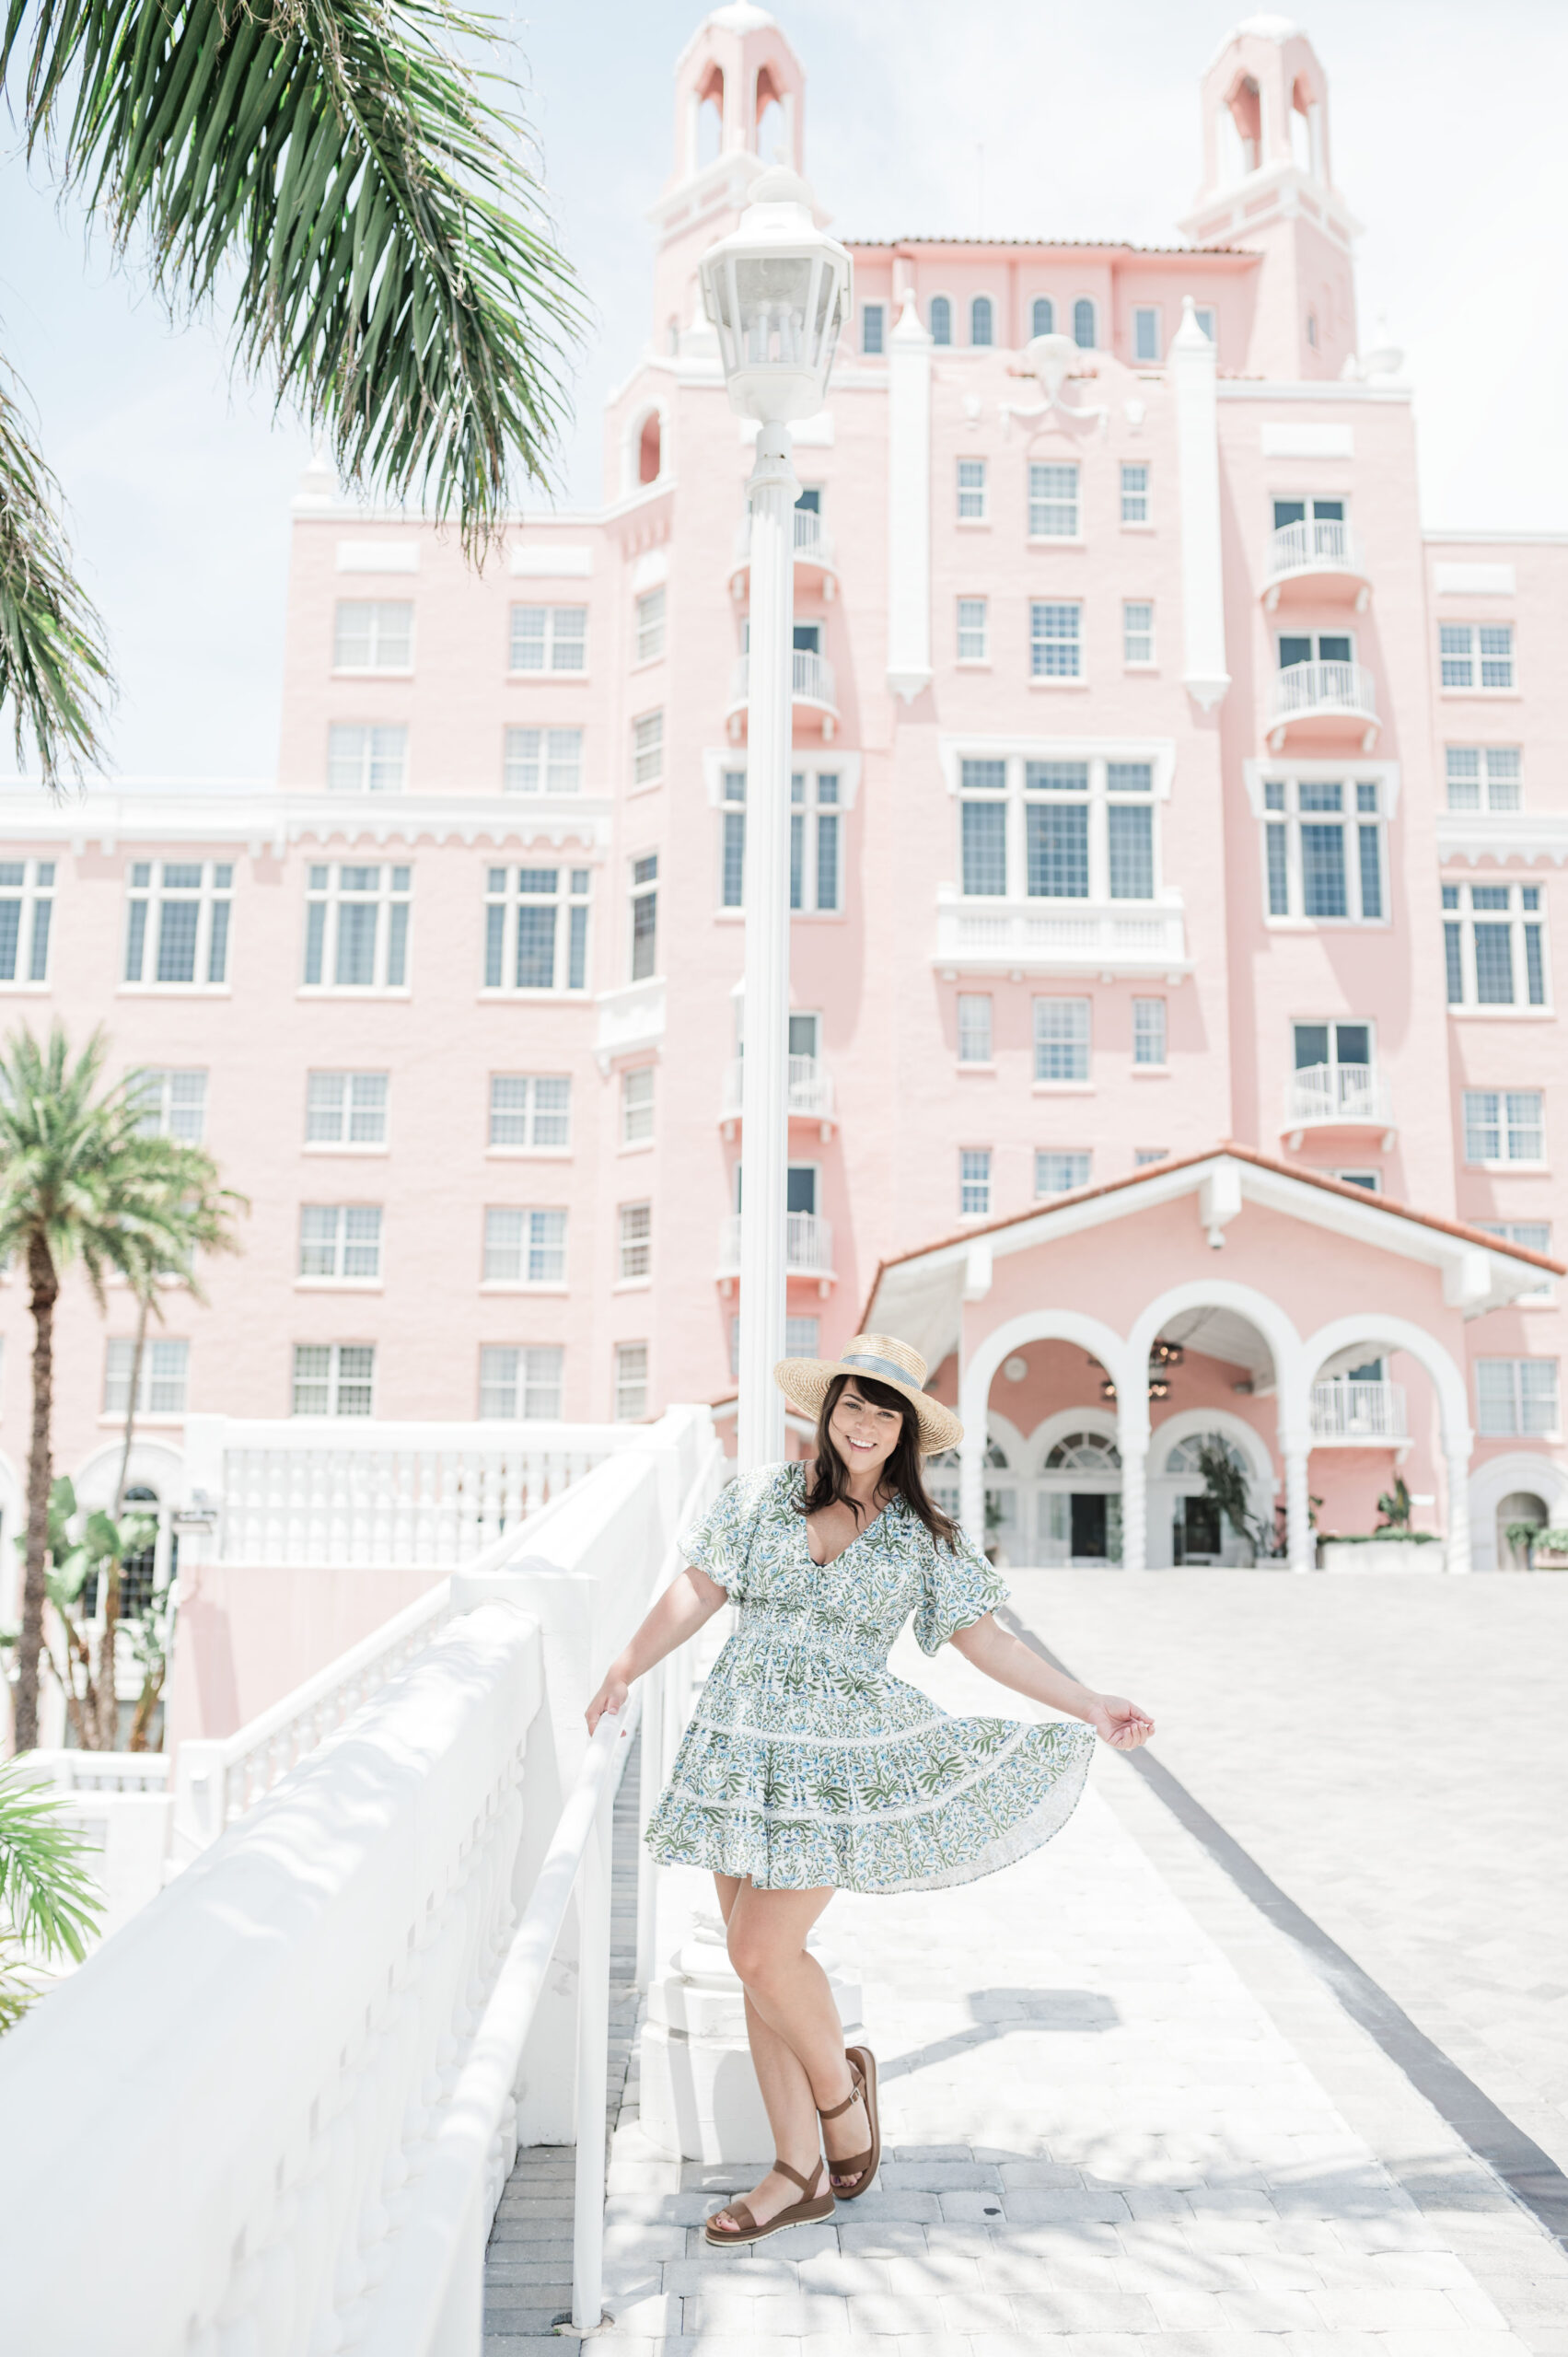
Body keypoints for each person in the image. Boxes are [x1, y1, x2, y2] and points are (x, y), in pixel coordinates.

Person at [585, 1333, 1155, 2248]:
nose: (864, 1422)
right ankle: (794, 2169)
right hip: (740, 1746)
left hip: (834, 1758)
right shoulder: (766, 1497)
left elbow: (989, 1641)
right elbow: (696, 1588)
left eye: (883, 1411)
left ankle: (841, 2104)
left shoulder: (920, 1537)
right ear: (829, 1410)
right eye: (852, 1403)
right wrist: (623, 1665)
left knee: (767, 1952)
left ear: (903, 1431)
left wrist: (1088, 1701)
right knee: (748, 1958)